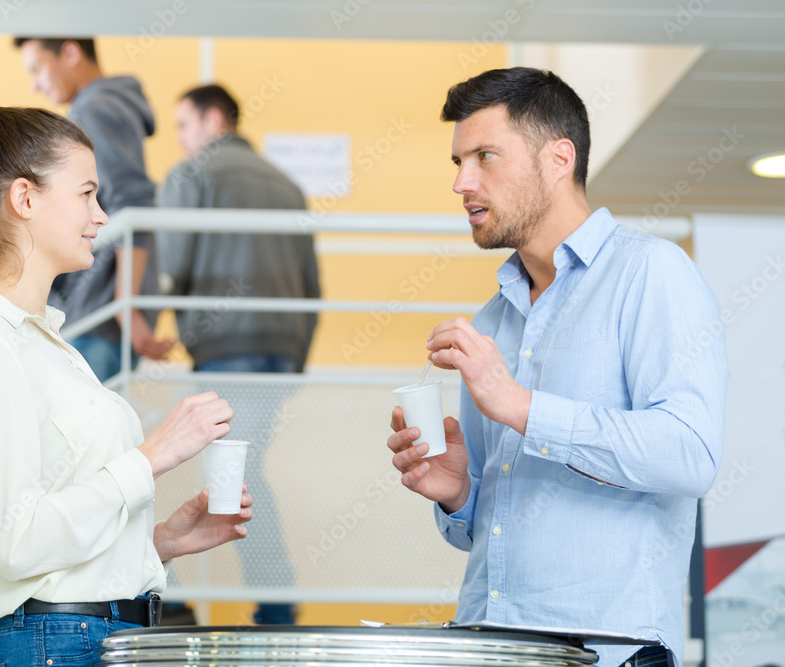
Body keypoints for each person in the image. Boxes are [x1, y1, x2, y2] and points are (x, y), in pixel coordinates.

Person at [386, 68, 726, 667]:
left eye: (485, 156)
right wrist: (460, 493)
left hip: (610, 655)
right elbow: (487, 531)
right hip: (490, 649)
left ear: (558, 158)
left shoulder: (651, 273)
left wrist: (520, 407)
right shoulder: (493, 319)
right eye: (458, 162)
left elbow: (690, 455)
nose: (463, 182)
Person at [0, 96, 251, 667]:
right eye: (87, 194)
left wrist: (161, 541)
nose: (101, 216)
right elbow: (15, 544)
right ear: (25, 198)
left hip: (89, 638)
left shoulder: (43, 344)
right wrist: (154, 456)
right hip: (53, 645)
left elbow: (52, 543)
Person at [156, 84, 321, 625]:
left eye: (183, 124)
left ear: (214, 118)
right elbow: (312, 285)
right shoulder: (288, 186)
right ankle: (186, 598)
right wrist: (295, 357)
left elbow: (168, 264)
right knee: (236, 469)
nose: (179, 139)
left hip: (226, 348)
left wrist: (142, 323)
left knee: (235, 473)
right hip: (279, 351)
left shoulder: (193, 174)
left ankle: (267, 608)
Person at [14, 36, 173, 381]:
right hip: (102, 311)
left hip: (98, 313)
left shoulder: (94, 109)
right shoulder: (109, 105)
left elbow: (134, 200)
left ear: (70, 53)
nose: (35, 83)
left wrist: (125, 303)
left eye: (38, 68)